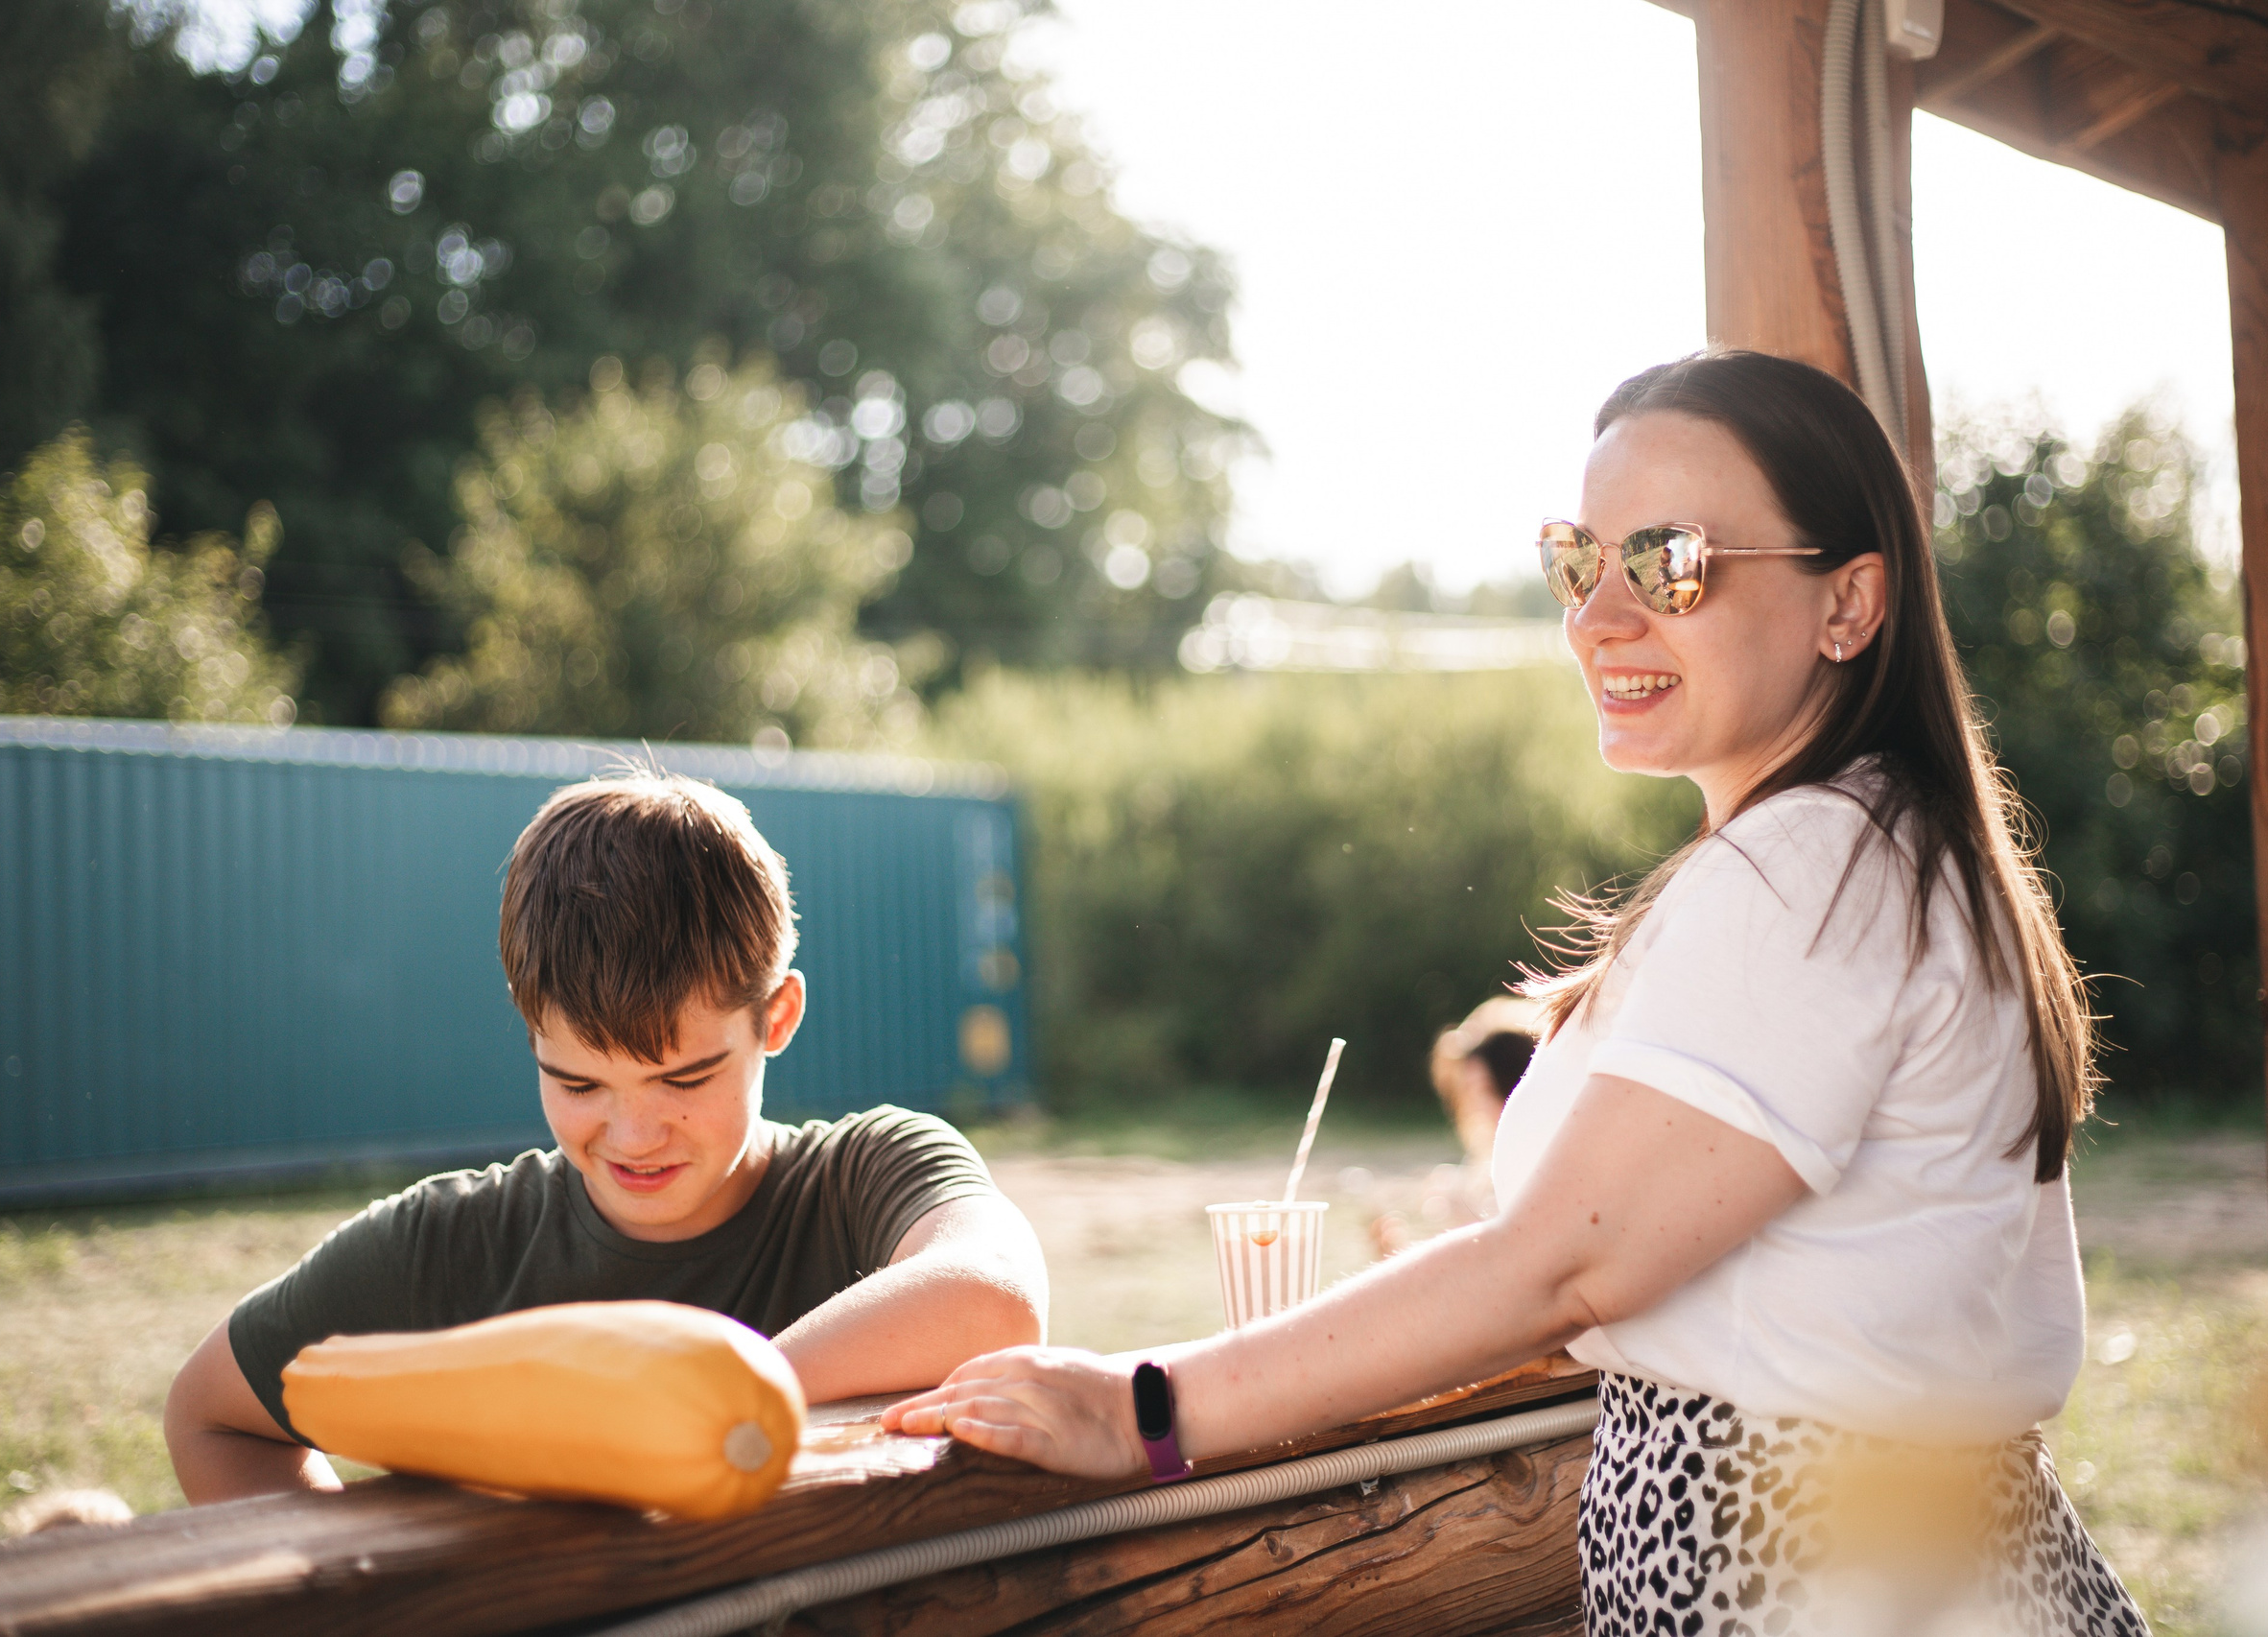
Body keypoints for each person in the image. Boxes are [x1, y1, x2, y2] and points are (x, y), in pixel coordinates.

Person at [886, 350, 2147, 1633]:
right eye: (1577, 558)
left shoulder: (1812, 865)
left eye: (1672, 561)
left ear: (1849, 601)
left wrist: (1141, 1407)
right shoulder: (1887, 847)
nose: (1599, 615)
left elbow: (1558, 1267)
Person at [166, 771, 1049, 1504]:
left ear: (776, 1017)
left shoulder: (867, 1171)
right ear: (531, 1038)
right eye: (578, 1082)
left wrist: (707, 1399)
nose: (633, 1134)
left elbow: (995, 1297)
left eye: (684, 1077)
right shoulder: (453, 1244)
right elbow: (208, 1415)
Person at [1374, 997, 1542, 1254]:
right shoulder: (1489, 1163)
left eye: (1481, 1090)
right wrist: (1397, 1254)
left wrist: (1469, 1219)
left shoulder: (1543, 1164)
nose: (1475, 1106)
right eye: (1469, 1091)